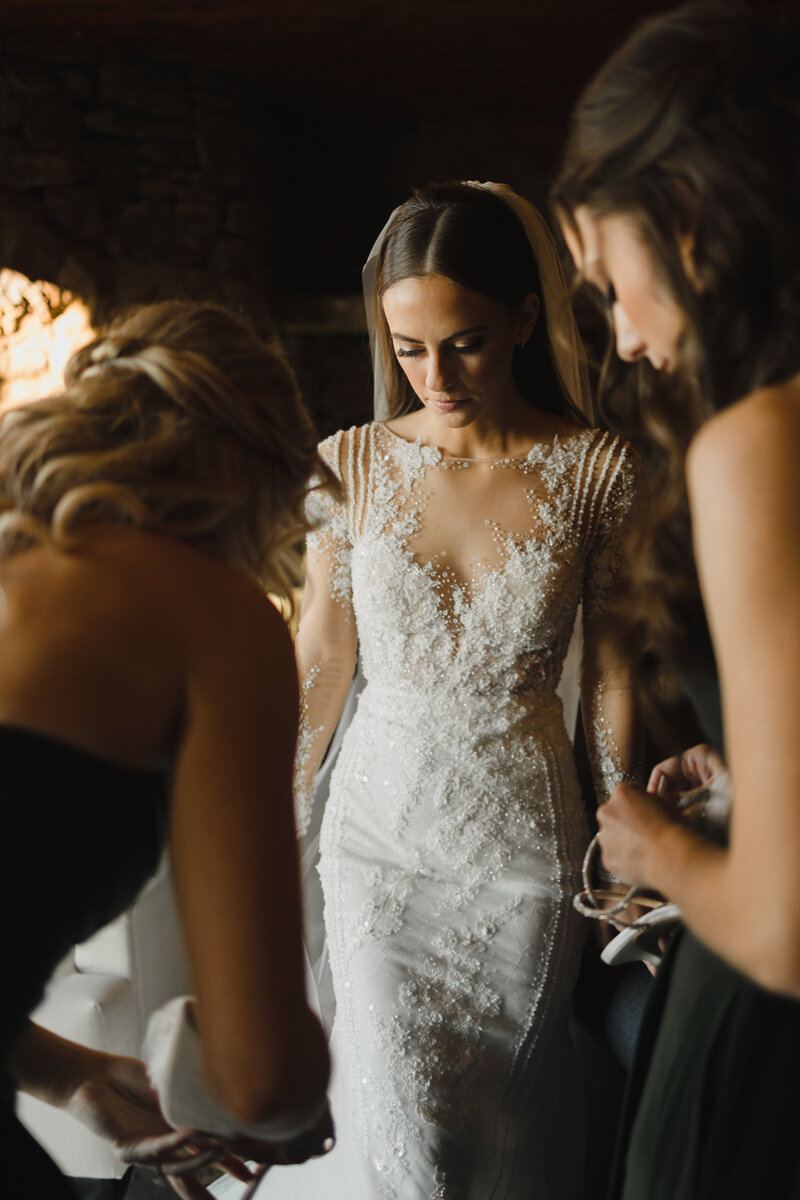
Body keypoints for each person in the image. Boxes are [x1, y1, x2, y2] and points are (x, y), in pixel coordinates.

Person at [287, 181, 643, 1199]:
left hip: (521, 854)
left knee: (497, 1131)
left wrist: (619, 839)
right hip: (376, 846)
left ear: (525, 320)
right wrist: (273, 810)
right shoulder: (347, 466)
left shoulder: (595, 473)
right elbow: (322, 661)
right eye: (406, 348)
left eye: (463, 343)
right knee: (414, 1134)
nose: (430, 375)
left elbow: (612, 676)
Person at [0, 300, 333, 1197]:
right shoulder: (214, 615)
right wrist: (293, 1096)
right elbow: (262, 1081)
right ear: (260, 481)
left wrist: (67, 1073)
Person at [553, 2, 800, 1196]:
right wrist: (749, 761)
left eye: (610, 281)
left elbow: (784, 927)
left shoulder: (758, 443)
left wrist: (653, 842)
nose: (626, 341)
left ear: (688, 218)